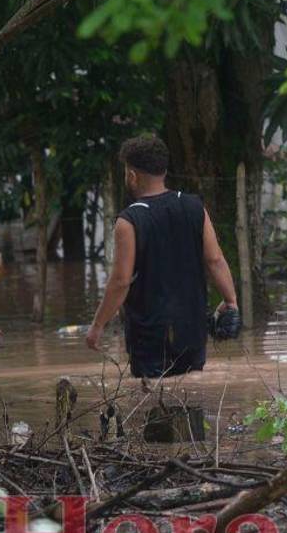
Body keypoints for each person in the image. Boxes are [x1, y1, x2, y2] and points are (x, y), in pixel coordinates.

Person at [86, 134, 239, 377]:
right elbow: (215, 259)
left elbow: (120, 281)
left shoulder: (129, 220)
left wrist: (97, 326)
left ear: (132, 175)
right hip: (193, 327)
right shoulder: (194, 206)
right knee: (192, 394)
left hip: (149, 332)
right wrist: (231, 301)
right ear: (164, 170)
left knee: (153, 399)